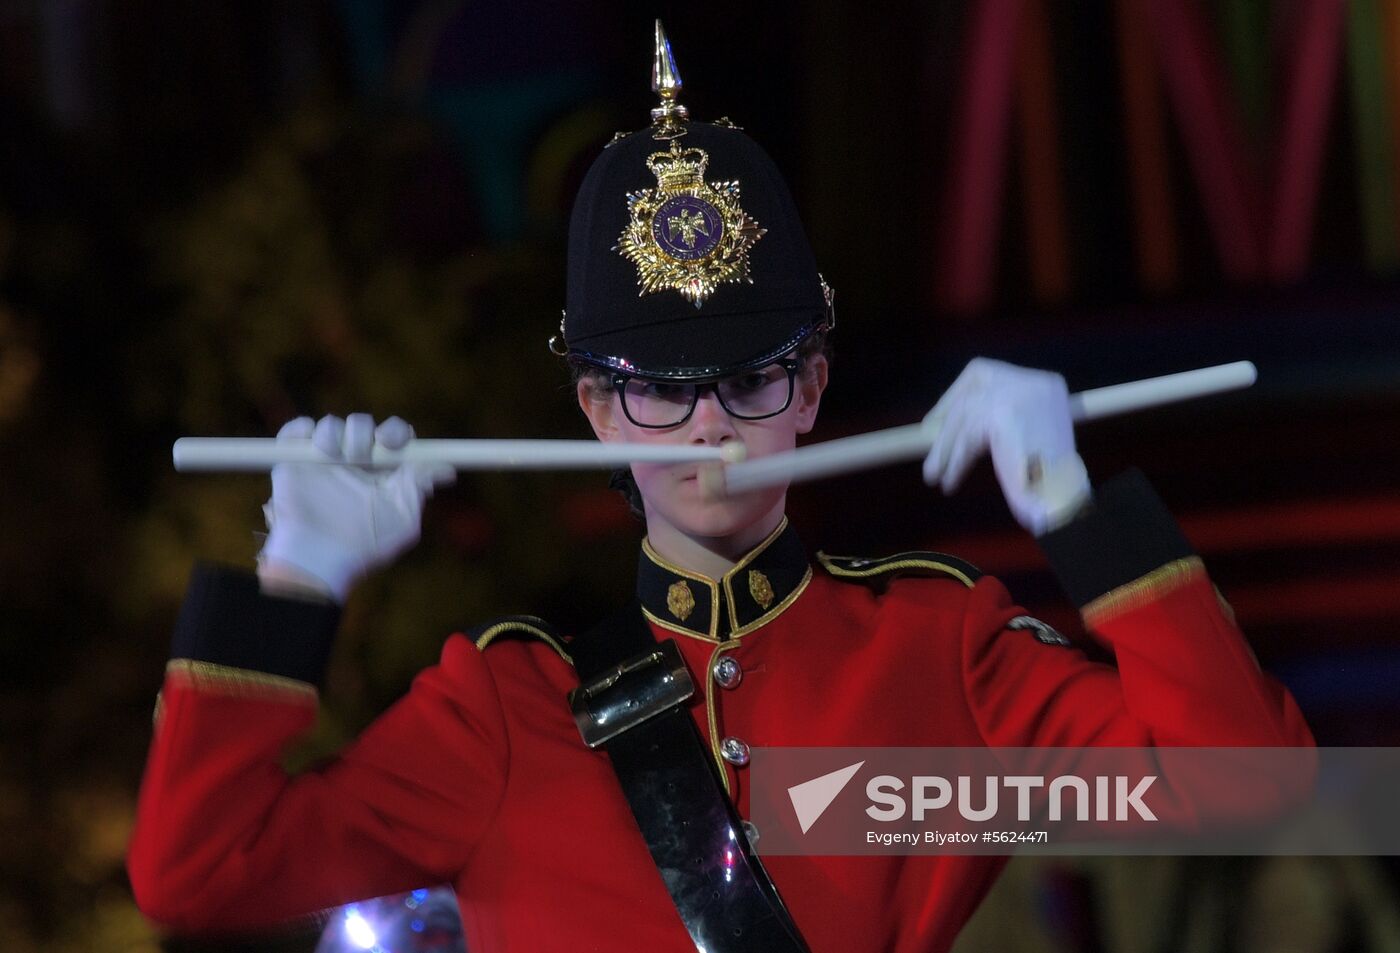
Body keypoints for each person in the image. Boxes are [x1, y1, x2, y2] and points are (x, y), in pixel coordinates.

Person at [127, 25, 1313, 953]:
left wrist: (1067, 502)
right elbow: (195, 870)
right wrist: (298, 579)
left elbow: (1242, 790)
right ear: (593, 408)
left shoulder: (936, 652)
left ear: (810, 387)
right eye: (657, 389)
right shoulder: (502, 704)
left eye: (750, 379)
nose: (708, 424)